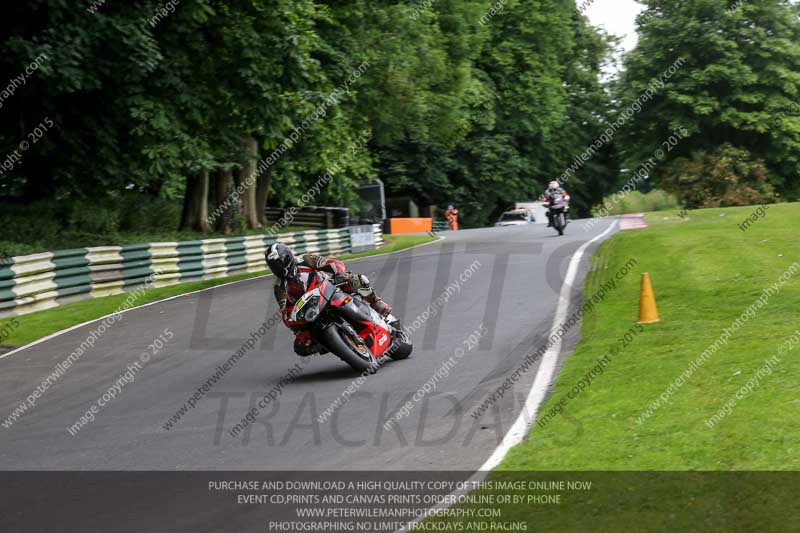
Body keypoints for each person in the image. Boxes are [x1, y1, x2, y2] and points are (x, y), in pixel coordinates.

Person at [266, 243, 392, 355]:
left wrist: (339, 274)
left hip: (331, 289)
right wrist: (294, 325)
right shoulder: (279, 287)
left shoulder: (305, 260)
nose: (278, 268)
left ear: (287, 257)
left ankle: (376, 302)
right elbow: (284, 310)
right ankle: (332, 344)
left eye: (279, 263)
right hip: (311, 309)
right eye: (274, 266)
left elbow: (333, 263)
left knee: (355, 280)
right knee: (301, 346)